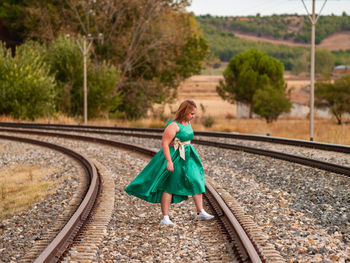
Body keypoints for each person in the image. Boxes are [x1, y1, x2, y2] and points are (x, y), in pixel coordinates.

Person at [125, 100, 214, 226]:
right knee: (169, 185)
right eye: (191, 114)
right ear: (184, 112)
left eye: (194, 114)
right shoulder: (173, 125)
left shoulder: (187, 123)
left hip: (188, 155)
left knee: (196, 179)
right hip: (175, 156)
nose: (193, 116)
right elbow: (165, 144)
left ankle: (201, 212)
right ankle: (165, 218)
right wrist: (169, 161)